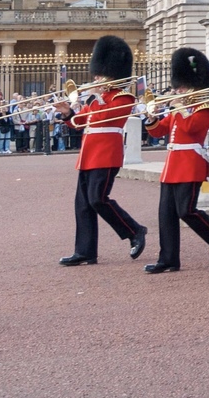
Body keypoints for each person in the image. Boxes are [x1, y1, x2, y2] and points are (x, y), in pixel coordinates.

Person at [58, 36, 149, 266]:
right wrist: (68, 113)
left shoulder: (123, 97)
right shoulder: (96, 99)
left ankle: (134, 230)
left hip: (107, 154)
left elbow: (107, 117)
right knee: (83, 204)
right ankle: (85, 251)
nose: (95, 78)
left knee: (98, 199)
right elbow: (80, 122)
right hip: (88, 155)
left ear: (113, 74)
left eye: (100, 74)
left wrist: (96, 97)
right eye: (96, 74)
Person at [142, 48, 209, 273]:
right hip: (173, 165)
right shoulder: (178, 110)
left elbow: (191, 129)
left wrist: (179, 108)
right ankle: (168, 259)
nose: (177, 90)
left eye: (181, 87)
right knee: (166, 215)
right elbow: (158, 131)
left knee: (187, 211)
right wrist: (151, 118)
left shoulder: (204, 108)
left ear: (194, 86)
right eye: (177, 86)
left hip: (190, 164)